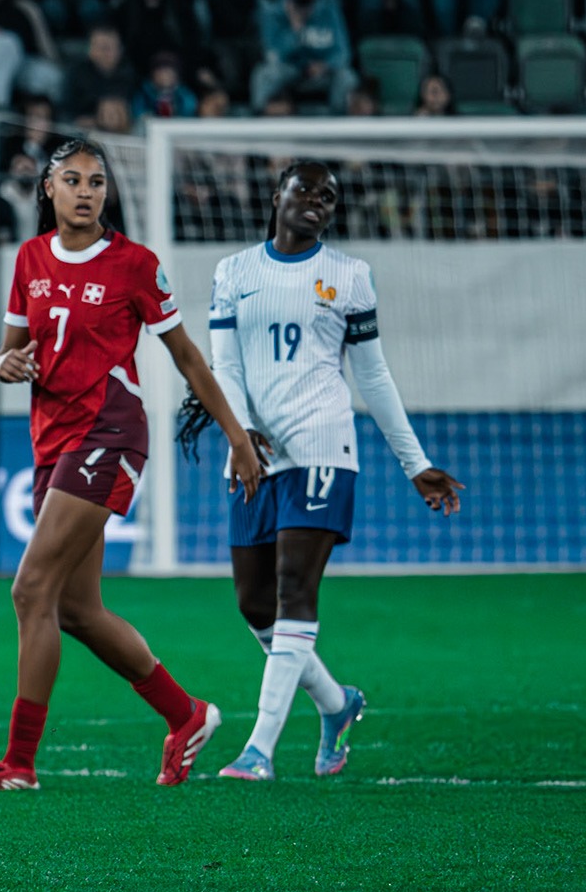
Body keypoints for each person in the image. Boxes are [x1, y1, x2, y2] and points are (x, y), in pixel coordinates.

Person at [0, 139, 262, 791]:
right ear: (48, 188)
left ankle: (19, 763)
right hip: (52, 442)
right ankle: (186, 716)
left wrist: (236, 436)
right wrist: (1, 364)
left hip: (110, 432)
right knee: (76, 610)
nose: (87, 191)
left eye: (97, 181)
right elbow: (9, 352)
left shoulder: (134, 264)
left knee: (28, 589)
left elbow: (187, 358)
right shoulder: (30, 259)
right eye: (73, 179)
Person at [181, 162, 463, 782]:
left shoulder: (349, 277)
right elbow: (222, 364)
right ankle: (337, 705)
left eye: (328, 196)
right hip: (255, 452)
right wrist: (239, 431)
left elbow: (373, 375)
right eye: (304, 189)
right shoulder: (234, 272)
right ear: (276, 195)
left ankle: (259, 750)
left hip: (323, 446)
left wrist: (415, 464)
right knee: (253, 603)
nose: (316, 200)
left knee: (292, 592)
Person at [252, 0, 359, 112]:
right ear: (290, 2)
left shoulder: (329, 9)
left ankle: (337, 124)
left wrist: (325, 65)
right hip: (290, 69)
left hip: (323, 70)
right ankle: (259, 123)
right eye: (299, 7)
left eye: (307, 7)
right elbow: (273, 56)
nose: (304, 12)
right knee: (264, 75)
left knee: (347, 77)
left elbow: (343, 53)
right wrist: (296, 30)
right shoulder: (273, 12)